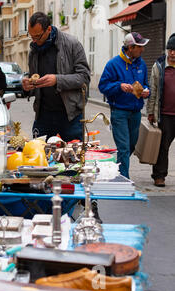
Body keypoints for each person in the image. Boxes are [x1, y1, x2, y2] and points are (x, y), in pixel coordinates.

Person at [21, 12, 90, 142]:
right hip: (43, 115)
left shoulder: (72, 44)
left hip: (70, 115)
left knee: (72, 157)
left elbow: (84, 77)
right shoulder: (34, 51)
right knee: (40, 156)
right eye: (31, 36)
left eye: (37, 36)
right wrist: (27, 86)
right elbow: (33, 79)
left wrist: (57, 80)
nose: (34, 41)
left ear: (48, 29)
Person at [98, 32, 150, 179]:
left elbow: (146, 84)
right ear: (130, 47)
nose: (142, 50)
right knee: (124, 148)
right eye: (140, 47)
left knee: (131, 145)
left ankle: (117, 170)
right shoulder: (113, 64)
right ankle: (124, 180)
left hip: (135, 112)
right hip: (119, 112)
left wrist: (147, 91)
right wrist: (119, 86)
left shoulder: (142, 63)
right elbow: (103, 86)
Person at [146, 33, 175, 187]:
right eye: (170, 49)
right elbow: (153, 90)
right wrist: (150, 112)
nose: (172, 53)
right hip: (165, 114)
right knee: (162, 147)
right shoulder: (159, 66)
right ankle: (159, 176)